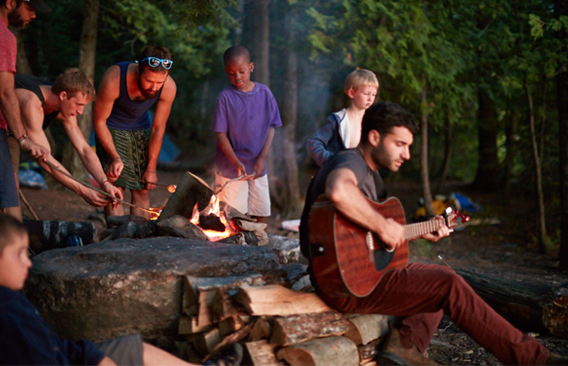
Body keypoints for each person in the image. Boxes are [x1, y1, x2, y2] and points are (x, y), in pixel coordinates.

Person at [299, 102, 568, 366]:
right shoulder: (350, 161)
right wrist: (383, 226)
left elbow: (361, 239)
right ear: (374, 137)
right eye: (400, 144)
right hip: (344, 284)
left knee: (430, 276)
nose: (407, 155)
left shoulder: (372, 178)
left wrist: (418, 231)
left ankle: (405, 348)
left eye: (409, 146)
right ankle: (535, 360)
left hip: (354, 276)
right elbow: (340, 191)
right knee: (448, 283)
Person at [0, 213, 244, 366]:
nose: (29, 261)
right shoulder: (9, 317)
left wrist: (92, 356)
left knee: (132, 347)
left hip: (75, 357)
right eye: (19, 254)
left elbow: (57, 347)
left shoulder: (14, 300)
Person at [7, 69, 123, 220]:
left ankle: (14, 230)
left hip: (11, 132)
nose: (80, 111)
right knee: (9, 186)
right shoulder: (31, 102)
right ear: (63, 96)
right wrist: (83, 191)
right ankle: (12, 235)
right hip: (6, 129)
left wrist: (104, 182)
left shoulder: (62, 103)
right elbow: (45, 160)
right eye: (79, 105)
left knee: (9, 186)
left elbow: (83, 148)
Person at [93, 46, 177, 220]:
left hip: (141, 128)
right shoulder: (115, 78)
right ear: (139, 69)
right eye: (148, 80)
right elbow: (99, 121)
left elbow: (158, 128)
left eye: (159, 82)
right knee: (116, 188)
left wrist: (151, 168)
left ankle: (140, 240)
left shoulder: (168, 87)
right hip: (111, 128)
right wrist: (114, 156)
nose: (153, 87)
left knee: (142, 188)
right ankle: (117, 239)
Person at [212, 45, 282, 224]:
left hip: (257, 165)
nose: (237, 77)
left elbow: (271, 128)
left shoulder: (265, 93)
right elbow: (221, 135)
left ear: (251, 67)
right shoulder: (225, 98)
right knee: (235, 217)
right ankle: (236, 251)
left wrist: (262, 158)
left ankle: (260, 250)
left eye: (242, 71)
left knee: (261, 212)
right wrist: (236, 162)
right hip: (230, 167)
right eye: (231, 73)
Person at [0, 0, 51, 219]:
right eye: (30, 8)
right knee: (9, 209)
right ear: (11, 2)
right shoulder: (4, 37)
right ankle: (12, 256)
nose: (34, 15)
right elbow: (5, 92)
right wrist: (22, 139)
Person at [306, 68, 378, 167]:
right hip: (339, 177)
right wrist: (333, 161)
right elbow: (313, 143)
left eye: (373, 94)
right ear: (351, 93)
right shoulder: (337, 120)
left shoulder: (374, 122)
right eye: (366, 94)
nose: (370, 98)